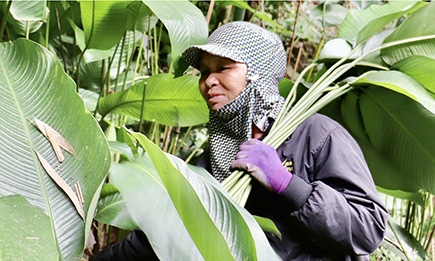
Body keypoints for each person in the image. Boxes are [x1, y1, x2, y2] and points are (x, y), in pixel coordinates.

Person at [91, 21, 388, 261]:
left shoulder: (316, 134)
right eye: (205, 72)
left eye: (223, 68)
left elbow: (368, 229)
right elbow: (163, 232)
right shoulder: (211, 158)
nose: (208, 81)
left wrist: (288, 184)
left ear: (257, 74)